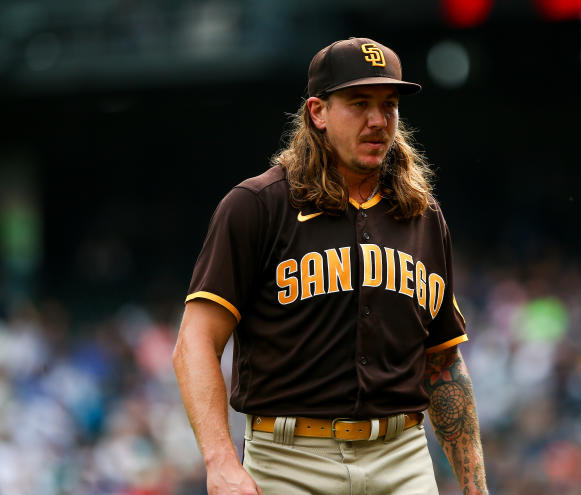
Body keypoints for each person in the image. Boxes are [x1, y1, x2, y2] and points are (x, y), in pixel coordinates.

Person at [172, 37, 488, 495]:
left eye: (389, 105)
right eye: (359, 103)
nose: (378, 121)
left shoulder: (423, 216)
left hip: (401, 457)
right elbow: (195, 341)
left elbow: (442, 363)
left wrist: (476, 489)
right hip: (288, 461)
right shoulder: (257, 206)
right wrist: (220, 461)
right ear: (317, 112)